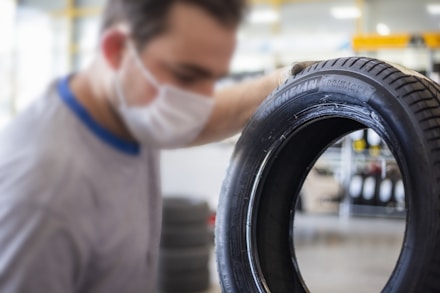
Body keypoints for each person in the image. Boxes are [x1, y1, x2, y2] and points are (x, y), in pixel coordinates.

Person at [0, 0, 312, 292]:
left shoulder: (131, 112)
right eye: (187, 75)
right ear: (117, 50)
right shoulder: (44, 191)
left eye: (212, 78)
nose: (201, 97)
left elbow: (213, 114)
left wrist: (287, 81)